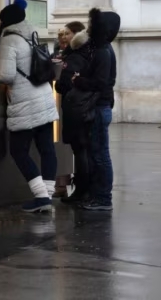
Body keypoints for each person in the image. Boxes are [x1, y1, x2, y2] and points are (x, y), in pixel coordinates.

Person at [0, 2, 60, 213]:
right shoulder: (31, 35)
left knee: (18, 150)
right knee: (46, 148)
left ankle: (41, 196)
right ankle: (47, 194)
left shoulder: (9, 39)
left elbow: (6, 75)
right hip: (43, 96)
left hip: (25, 102)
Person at [70, 8, 120, 211]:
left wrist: (78, 80)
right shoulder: (103, 48)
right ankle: (97, 195)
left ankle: (103, 197)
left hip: (99, 106)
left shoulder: (103, 51)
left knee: (100, 154)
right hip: (100, 105)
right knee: (96, 152)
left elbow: (100, 82)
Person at [55, 28, 94, 205]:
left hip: (75, 107)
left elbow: (62, 85)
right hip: (88, 107)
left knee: (79, 151)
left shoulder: (73, 58)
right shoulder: (92, 53)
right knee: (85, 150)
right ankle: (87, 189)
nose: (63, 37)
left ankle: (81, 191)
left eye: (67, 34)